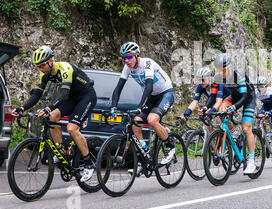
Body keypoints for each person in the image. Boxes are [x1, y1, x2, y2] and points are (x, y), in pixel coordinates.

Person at [11, 46, 97, 182]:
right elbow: (36, 95)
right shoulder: (44, 75)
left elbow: (63, 94)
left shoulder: (65, 69)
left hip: (86, 96)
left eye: (43, 65)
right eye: (38, 66)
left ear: (51, 61)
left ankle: (88, 163)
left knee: (71, 128)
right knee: (52, 116)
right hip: (72, 99)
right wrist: (22, 108)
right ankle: (60, 150)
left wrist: (48, 108)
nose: (41, 68)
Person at [110, 42, 175, 177]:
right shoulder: (127, 68)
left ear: (136, 55)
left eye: (128, 57)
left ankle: (170, 147)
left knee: (152, 120)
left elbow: (149, 86)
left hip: (165, 93)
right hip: (151, 97)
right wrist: (113, 106)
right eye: (123, 58)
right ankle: (143, 158)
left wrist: (140, 106)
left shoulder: (147, 63)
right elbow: (118, 88)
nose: (126, 61)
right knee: (135, 125)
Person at [213, 53, 258, 175]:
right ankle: (234, 134)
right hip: (234, 96)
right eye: (218, 70)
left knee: (246, 128)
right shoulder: (218, 77)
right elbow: (214, 96)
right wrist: (210, 110)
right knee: (221, 110)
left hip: (248, 97)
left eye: (223, 69)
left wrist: (233, 107)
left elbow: (243, 97)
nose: (221, 72)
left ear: (230, 66)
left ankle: (251, 161)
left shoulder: (239, 75)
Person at [254, 76, 272, 162]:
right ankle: (264, 134)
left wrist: (270, 113)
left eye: (261, 86)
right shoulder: (256, 92)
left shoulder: (271, 91)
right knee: (259, 119)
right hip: (265, 107)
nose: (260, 88)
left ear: (266, 86)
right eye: (258, 86)